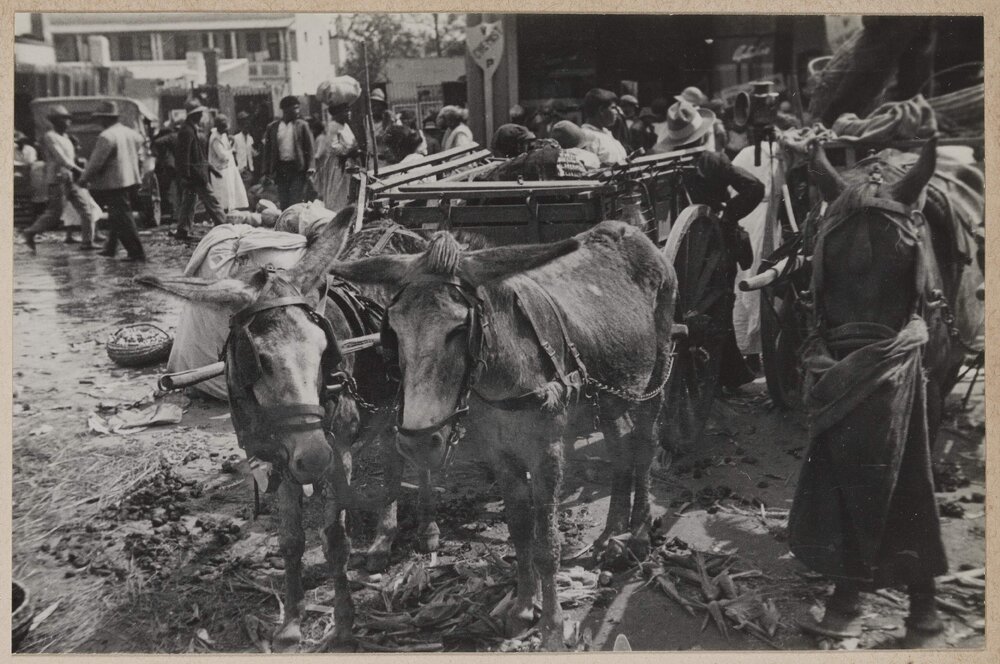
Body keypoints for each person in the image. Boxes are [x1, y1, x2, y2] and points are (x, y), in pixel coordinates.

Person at [652, 99, 765, 390]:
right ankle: (724, 376)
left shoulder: (658, 161)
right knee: (720, 303)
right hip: (710, 242)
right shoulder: (711, 160)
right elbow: (755, 187)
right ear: (701, 133)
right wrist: (729, 217)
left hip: (669, 244)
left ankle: (719, 372)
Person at [22, 105, 98, 252]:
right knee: (54, 214)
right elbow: (61, 159)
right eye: (64, 119)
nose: (68, 122)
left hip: (71, 178)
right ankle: (30, 232)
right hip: (58, 179)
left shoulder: (66, 138)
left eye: (68, 119)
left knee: (86, 209)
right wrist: (80, 170)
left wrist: (78, 169)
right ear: (55, 121)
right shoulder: (50, 136)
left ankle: (87, 242)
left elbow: (71, 158)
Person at [77, 101, 147, 262]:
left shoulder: (106, 136)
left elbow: (96, 162)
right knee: (118, 215)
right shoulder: (131, 133)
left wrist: (84, 178)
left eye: (100, 118)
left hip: (114, 182)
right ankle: (111, 248)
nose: (99, 122)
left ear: (105, 119)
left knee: (121, 216)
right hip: (130, 179)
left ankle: (136, 252)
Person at [174, 98, 226, 240]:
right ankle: (225, 226)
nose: (201, 116)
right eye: (199, 113)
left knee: (188, 203)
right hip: (195, 174)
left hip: (195, 172)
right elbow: (183, 156)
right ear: (194, 115)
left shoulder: (191, 129)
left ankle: (182, 230)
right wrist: (185, 176)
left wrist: (210, 168)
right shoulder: (187, 131)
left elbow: (198, 155)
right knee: (212, 201)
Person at [262, 95, 316, 209]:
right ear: (285, 110)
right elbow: (267, 151)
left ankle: (294, 225)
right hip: (280, 169)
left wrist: (311, 167)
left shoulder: (302, 126)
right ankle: (285, 225)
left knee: (295, 200)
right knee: (283, 200)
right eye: (294, 108)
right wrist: (266, 171)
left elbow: (310, 149)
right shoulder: (272, 127)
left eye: (298, 108)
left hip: (297, 169)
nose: (297, 111)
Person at [314, 95, 361, 213]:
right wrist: (350, 151)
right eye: (346, 111)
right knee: (338, 195)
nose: (349, 113)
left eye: (349, 110)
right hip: (338, 166)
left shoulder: (346, 126)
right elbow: (333, 146)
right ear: (338, 113)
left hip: (349, 165)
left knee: (348, 193)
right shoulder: (333, 126)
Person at [208, 114, 248, 213]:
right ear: (218, 127)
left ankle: (231, 211)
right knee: (222, 194)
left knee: (231, 192)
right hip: (219, 169)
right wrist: (232, 150)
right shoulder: (215, 138)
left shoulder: (223, 135)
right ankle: (223, 213)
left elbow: (227, 147)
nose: (225, 130)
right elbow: (222, 155)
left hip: (227, 168)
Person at [580, 88, 628, 165]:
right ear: (601, 110)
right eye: (613, 108)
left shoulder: (605, 133)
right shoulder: (587, 136)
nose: (617, 112)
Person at [232, 111, 257, 189]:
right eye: (244, 124)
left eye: (248, 124)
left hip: (249, 168)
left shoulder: (250, 138)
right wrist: (238, 168)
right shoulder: (236, 138)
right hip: (241, 169)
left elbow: (252, 152)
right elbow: (233, 154)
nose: (247, 125)